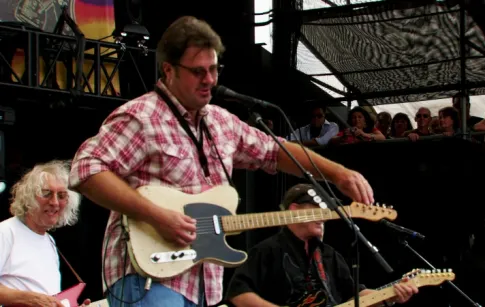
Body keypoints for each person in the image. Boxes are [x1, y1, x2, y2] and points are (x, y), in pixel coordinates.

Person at [69, 16, 374, 307]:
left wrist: (338, 174)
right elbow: (86, 169)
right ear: (169, 70)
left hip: (205, 282)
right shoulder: (141, 116)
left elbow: (275, 151)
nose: (210, 80)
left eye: (214, 69)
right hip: (147, 277)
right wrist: (156, 216)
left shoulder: (220, 122)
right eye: (198, 71)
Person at [226, 184, 418, 307]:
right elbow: (239, 294)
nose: (325, 217)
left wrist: (390, 295)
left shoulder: (329, 255)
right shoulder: (267, 251)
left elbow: (355, 295)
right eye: (318, 209)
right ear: (294, 210)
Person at [0, 160, 90, 307]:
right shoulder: (6, 232)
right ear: (28, 197)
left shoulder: (50, 242)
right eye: (46, 193)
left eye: (61, 195)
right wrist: (26, 298)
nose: (54, 202)